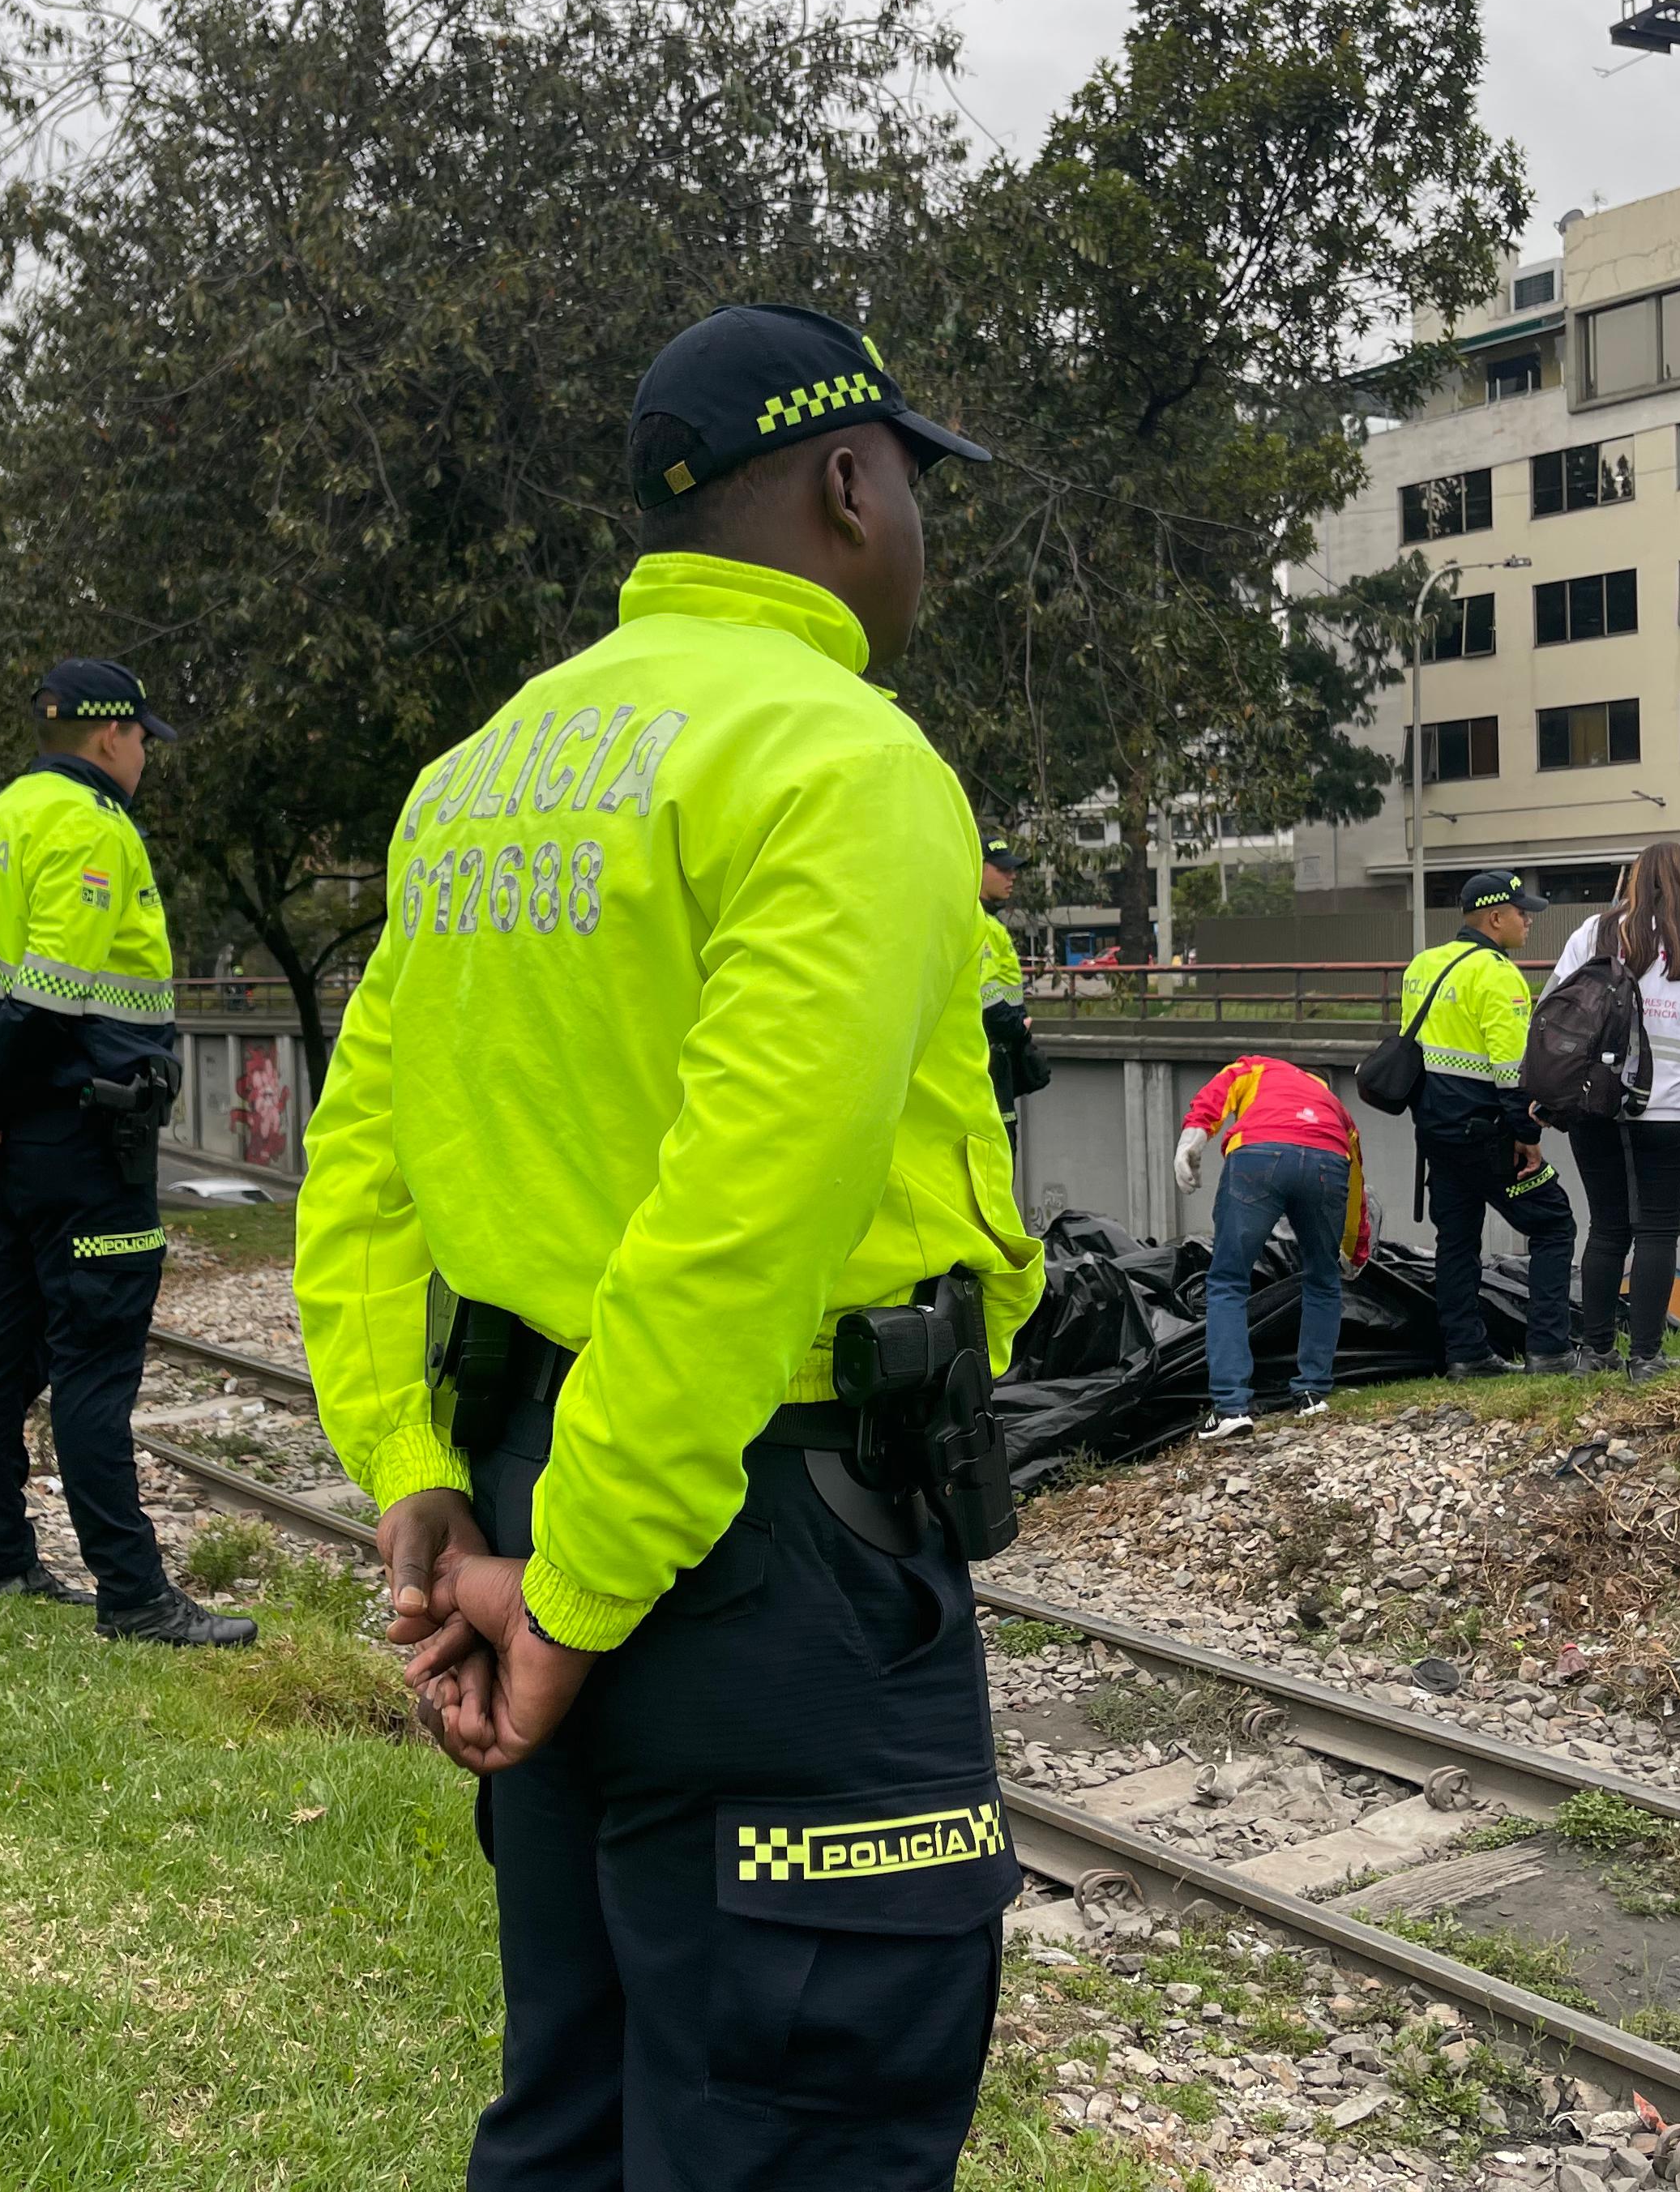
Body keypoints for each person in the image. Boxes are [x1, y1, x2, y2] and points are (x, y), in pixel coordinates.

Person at [293, 301, 1042, 2189]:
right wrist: (574, 1600)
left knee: (578, 2105)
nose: (919, 542)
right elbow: (738, 1227)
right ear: (853, 482)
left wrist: (421, 1481)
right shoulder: (843, 764)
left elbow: (358, 1177)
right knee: (799, 2124)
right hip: (760, 1552)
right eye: (913, 492)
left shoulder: (479, 785)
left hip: (543, 1496)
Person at [0, 660, 255, 1649]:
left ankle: (2, 1563)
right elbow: (53, 998)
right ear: (109, 738)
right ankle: (134, 1595)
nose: (145, 754)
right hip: (90, 1142)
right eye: (143, 737)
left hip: (17, 1145)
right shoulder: (93, 831)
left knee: (1, 1356)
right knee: (96, 1367)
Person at [1547, 841, 1680, 1378]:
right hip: (1676, 1108)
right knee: (1658, 1231)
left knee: (1606, 1227)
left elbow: (1551, 1007)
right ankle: (1646, 1357)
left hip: (1596, 1105)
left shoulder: (1595, 933)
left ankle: (1594, 1351)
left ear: (1634, 879)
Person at [1401, 870, 1575, 1375]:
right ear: (1495, 918)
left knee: (1456, 1240)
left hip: (1435, 1130)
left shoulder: (1423, 965)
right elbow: (1511, 1069)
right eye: (1522, 913)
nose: (1528, 922)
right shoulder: (1498, 974)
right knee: (1554, 1223)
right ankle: (1549, 1350)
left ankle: (1466, 1355)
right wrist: (1527, 1137)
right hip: (1486, 1131)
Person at [1173, 1053, 1370, 1437]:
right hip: (1327, 1162)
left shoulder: (1256, 1068)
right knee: (1323, 1279)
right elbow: (1356, 1184)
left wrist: (1190, 1142)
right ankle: (1312, 1394)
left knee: (1229, 1281)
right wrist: (1355, 1250)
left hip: (1259, 1154)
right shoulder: (1335, 1108)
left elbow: (1214, 1097)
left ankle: (1231, 1407)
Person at [975, 832, 1049, 1130]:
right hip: (992, 1050)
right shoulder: (976, 921)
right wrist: (1015, 1026)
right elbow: (984, 991)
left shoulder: (990, 921)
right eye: (1002, 869)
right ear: (977, 868)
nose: (1012, 876)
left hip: (1000, 1051)